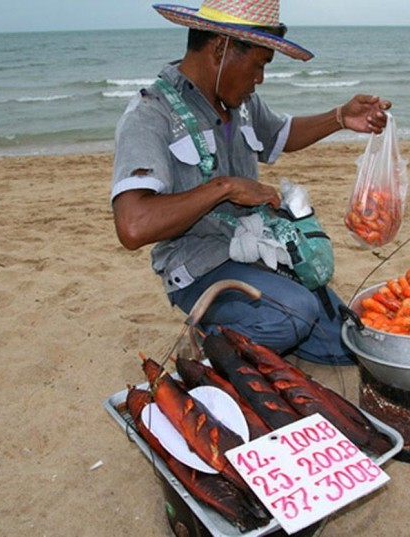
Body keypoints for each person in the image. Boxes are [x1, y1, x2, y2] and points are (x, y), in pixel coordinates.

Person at [110, 0, 391, 365]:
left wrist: (340, 117)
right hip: (200, 267)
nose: (260, 79)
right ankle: (207, 342)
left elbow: (282, 135)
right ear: (220, 48)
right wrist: (225, 188)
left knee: (347, 343)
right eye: (259, 65)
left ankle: (260, 324)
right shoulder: (151, 113)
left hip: (255, 251)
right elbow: (133, 226)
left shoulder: (240, 103)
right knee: (294, 315)